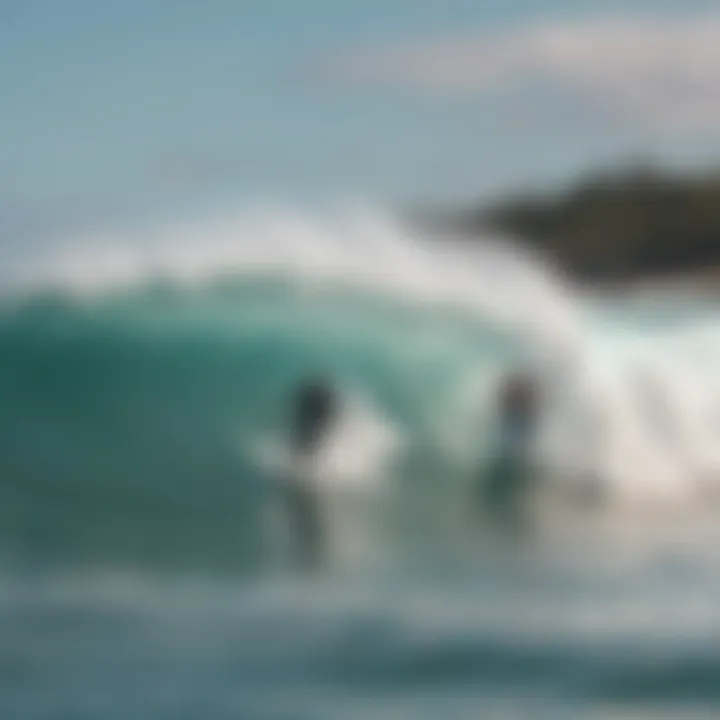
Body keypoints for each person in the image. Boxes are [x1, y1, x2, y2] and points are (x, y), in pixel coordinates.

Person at [280, 377, 338, 571]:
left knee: (306, 445)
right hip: (315, 409)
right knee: (306, 445)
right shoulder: (316, 407)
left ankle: (313, 554)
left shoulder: (317, 406)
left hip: (315, 408)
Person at [479, 371, 539, 529]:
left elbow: (528, 413)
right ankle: (507, 475)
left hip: (517, 425)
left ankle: (508, 476)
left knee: (514, 449)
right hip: (514, 425)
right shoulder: (516, 395)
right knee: (511, 448)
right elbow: (505, 405)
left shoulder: (522, 396)